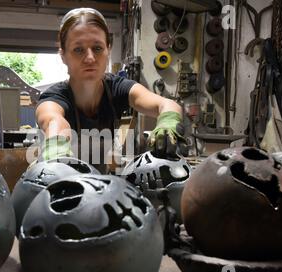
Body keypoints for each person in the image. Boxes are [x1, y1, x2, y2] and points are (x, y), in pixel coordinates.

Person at [36, 7, 184, 171]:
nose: (90, 58)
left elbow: (168, 105)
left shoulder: (118, 88)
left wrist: (168, 122)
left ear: (108, 50)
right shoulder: (54, 97)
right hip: (56, 182)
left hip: (101, 185)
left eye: (97, 48)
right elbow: (54, 121)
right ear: (63, 55)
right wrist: (57, 152)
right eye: (78, 49)